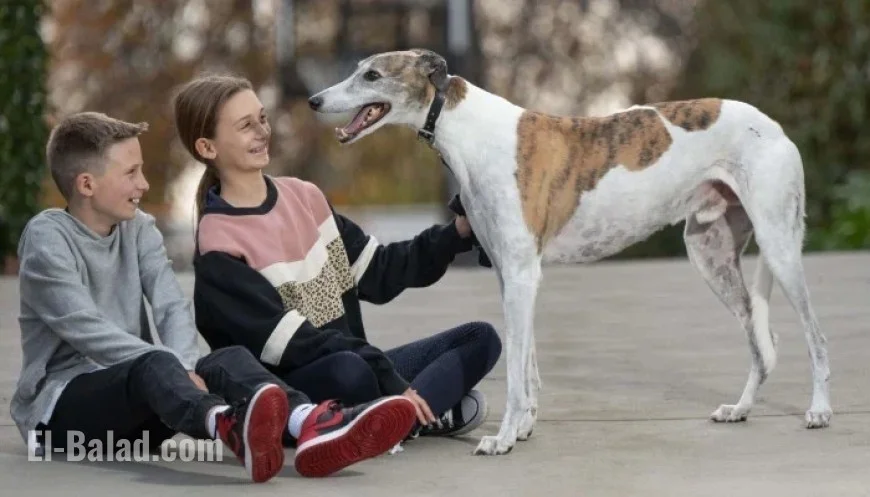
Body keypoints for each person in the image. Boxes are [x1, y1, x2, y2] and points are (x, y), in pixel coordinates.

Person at [10, 111, 418, 483]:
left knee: (225, 359)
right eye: (131, 173)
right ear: (86, 184)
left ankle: (309, 423)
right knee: (155, 363)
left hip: (151, 397)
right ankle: (229, 426)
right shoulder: (48, 239)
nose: (144, 184)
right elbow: (85, 329)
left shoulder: (138, 228)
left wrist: (186, 367)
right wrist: (173, 370)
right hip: (64, 417)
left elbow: (170, 305)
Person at [173, 74, 502, 441]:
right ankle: (410, 412)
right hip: (300, 386)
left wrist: (456, 233)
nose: (262, 131)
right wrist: (387, 376)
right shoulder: (219, 243)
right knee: (350, 372)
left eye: (262, 118)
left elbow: (380, 272)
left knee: (480, 338)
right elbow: (299, 343)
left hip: (359, 362)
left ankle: (396, 419)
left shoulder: (304, 197)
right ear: (207, 147)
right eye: (245, 125)